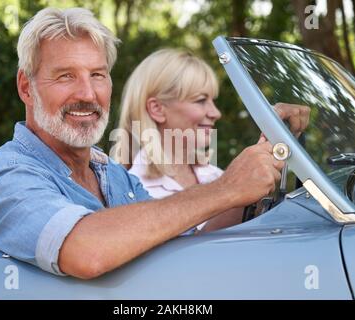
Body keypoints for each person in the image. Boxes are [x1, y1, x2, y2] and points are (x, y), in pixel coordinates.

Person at [0, 7, 307, 280]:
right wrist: (227, 188)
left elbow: (183, 246)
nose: (88, 94)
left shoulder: (113, 174)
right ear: (26, 88)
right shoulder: (9, 173)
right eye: (66, 76)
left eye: (98, 75)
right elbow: (86, 251)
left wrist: (264, 152)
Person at [114, 48, 309, 232]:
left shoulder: (214, 175)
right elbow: (188, 256)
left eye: (213, 101)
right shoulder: (132, 193)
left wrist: (274, 141)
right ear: (157, 109)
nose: (215, 113)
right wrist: (235, 189)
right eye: (200, 100)